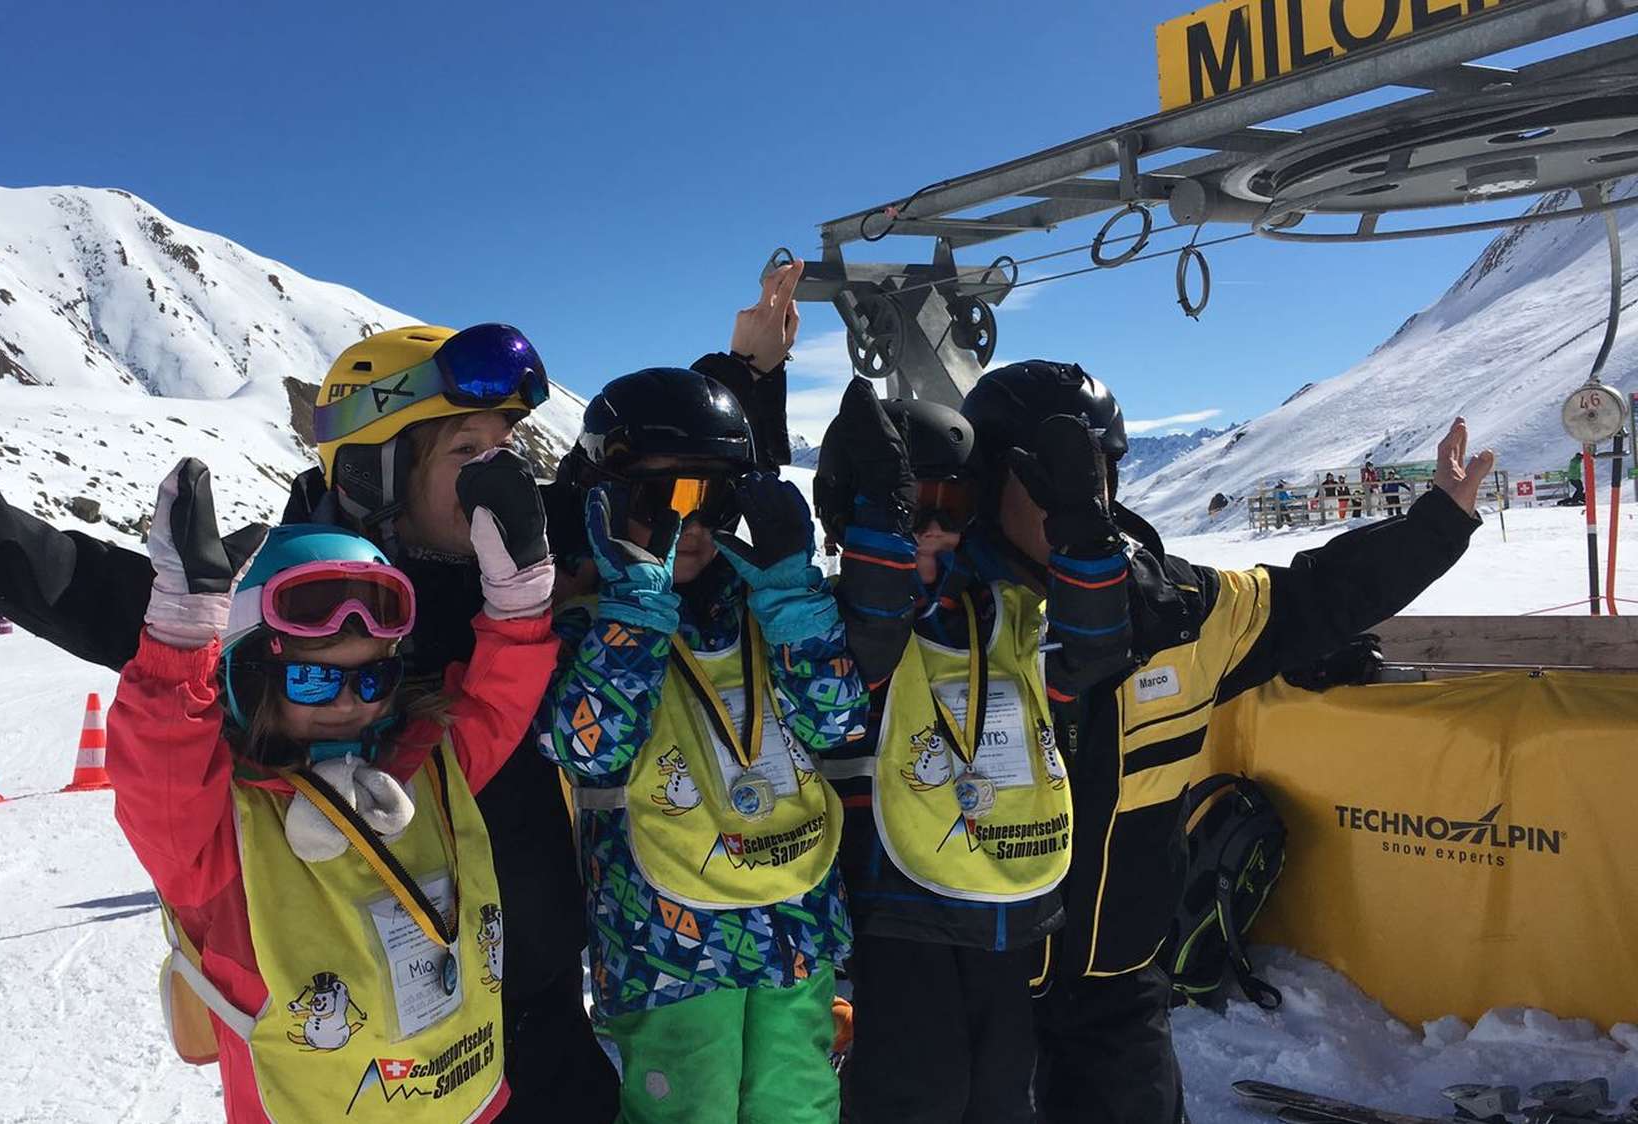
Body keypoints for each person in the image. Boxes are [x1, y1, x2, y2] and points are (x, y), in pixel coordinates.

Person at [0, 269, 804, 1122]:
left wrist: (745, 375)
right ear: (378, 467)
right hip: (372, 1051)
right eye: (471, 451)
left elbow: (669, 481)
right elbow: (58, 575)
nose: (505, 479)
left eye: (508, 450)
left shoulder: (521, 548)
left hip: (539, 1005)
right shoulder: (277, 599)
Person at [929, 361, 1490, 1124]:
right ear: (988, 486)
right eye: (1050, 477)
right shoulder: (931, 625)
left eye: (1094, 473)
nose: (1081, 499)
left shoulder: (1180, 612)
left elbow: (1314, 596)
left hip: (1120, 987)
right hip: (976, 994)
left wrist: (1436, 526)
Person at [108, 452, 557, 1122]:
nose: (350, 702)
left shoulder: (427, 768)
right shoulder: (218, 834)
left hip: (466, 1102)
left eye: (372, 678)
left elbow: (497, 701)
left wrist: (520, 603)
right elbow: (157, 775)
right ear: (248, 677)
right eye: (313, 679)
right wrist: (179, 640)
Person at [535, 368, 867, 1123]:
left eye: (708, 498)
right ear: (605, 500)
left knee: (799, 1106)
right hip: (668, 950)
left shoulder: (771, 609)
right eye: (661, 498)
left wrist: (793, 600)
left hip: (794, 923)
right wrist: (636, 611)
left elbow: (839, 722)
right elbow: (588, 747)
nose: (687, 522)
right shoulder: (586, 624)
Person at [811, 380, 1134, 1124]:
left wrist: (1085, 535)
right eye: (905, 507)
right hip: (898, 905)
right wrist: (878, 535)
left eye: (948, 505)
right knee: (915, 1095)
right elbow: (873, 637)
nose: (928, 528)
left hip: (1000, 895)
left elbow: (1088, 656)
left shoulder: (1002, 608)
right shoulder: (832, 622)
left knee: (1000, 1091)